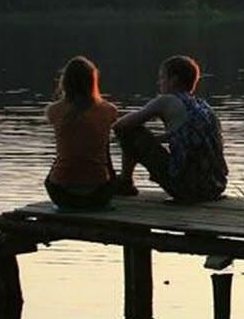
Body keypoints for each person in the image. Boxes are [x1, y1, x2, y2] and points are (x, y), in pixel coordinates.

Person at [114, 55, 227, 203]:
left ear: (174, 80)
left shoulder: (166, 100)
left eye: (162, 78)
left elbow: (120, 126)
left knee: (130, 132)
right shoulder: (203, 107)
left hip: (187, 189)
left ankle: (125, 182)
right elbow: (190, 140)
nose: (159, 82)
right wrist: (158, 139)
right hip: (215, 187)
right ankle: (125, 181)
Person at [45, 56, 117, 209]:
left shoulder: (53, 110)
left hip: (62, 195)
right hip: (98, 194)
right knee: (103, 152)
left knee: (59, 158)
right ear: (92, 81)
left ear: (65, 82)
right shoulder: (110, 110)